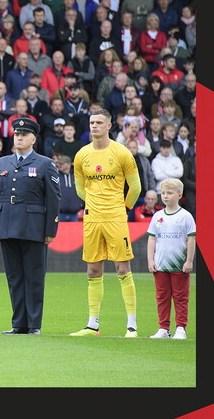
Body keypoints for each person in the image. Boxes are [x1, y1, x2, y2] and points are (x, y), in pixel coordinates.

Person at [70, 109, 143, 337]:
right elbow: (80, 188)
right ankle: (93, 325)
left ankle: (131, 325)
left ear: (109, 125)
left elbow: (136, 187)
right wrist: (93, 203)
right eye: (92, 122)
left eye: (99, 122)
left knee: (122, 268)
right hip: (92, 218)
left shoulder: (121, 153)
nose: (94, 126)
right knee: (93, 269)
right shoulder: (82, 154)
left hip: (115, 217)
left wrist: (123, 208)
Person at [0, 118, 60, 335]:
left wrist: (50, 230)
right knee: (14, 276)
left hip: (33, 226)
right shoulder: (2, 163)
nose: (18, 137)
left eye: (23, 134)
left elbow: (54, 199)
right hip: (8, 224)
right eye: (16, 134)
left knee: (34, 275)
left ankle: (33, 324)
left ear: (33, 138)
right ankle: (18, 323)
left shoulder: (45, 164)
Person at [146, 178, 196, 340]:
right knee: (162, 296)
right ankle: (163, 328)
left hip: (179, 265)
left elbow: (190, 239)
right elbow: (152, 239)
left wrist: (189, 261)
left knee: (181, 297)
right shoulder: (157, 216)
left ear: (179, 195)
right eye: (163, 193)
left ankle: (181, 327)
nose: (166, 196)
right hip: (160, 264)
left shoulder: (185, 216)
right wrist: (150, 260)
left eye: (170, 193)